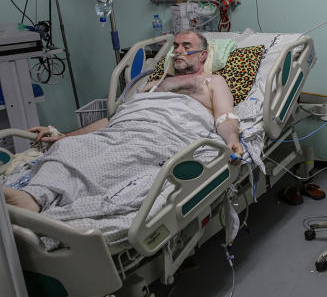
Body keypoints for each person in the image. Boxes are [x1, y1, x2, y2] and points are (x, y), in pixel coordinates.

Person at [3, 30, 243, 213]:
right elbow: (113, 120)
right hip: (126, 127)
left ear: (203, 55)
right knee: (67, 148)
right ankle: (34, 194)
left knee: (121, 157)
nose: (178, 51)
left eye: (186, 46)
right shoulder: (154, 84)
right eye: (176, 46)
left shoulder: (212, 82)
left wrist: (232, 140)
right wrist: (64, 136)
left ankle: (35, 200)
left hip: (163, 133)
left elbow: (225, 117)